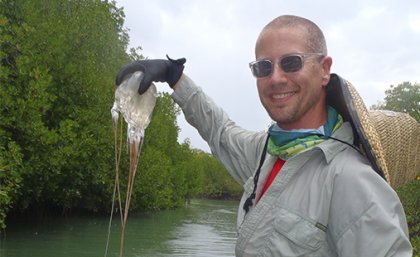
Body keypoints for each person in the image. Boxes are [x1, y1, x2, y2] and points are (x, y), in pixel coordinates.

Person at [115, 15, 412, 257]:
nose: (276, 78)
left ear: (324, 69)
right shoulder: (266, 152)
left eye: (292, 62)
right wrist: (174, 77)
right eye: (263, 67)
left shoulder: (353, 182)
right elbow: (219, 130)